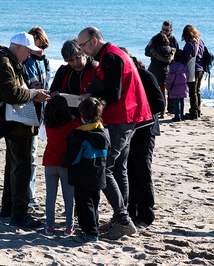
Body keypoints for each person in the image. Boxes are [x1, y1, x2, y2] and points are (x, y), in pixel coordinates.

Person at [77, 26, 152, 240]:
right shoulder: (114, 54)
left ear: (94, 41)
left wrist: (90, 99)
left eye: (83, 46)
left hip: (122, 118)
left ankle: (123, 220)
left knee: (105, 168)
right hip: (129, 117)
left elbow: (113, 93)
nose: (83, 51)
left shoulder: (110, 57)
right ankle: (121, 217)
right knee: (119, 168)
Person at [0, 32, 50, 228]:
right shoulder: (5, 61)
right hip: (16, 124)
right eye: (28, 51)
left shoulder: (6, 58)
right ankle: (19, 215)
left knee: (13, 166)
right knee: (21, 167)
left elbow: (11, 90)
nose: (29, 56)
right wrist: (33, 93)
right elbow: (11, 93)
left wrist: (31, 91)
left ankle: (8, 209)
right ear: (19, 47)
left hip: (13, 121)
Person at [120, 47, 165, 228]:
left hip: (146, 129)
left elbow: (159, 103)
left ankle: (146, 214)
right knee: (129, 170)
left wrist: (139, 114)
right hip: (128, 129)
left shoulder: (144, 75)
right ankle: (131, 210)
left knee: (142, 170)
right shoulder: (121, 77)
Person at [61, 97, 110, 243]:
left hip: (83, 174)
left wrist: (64, 160)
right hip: (98, 173)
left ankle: (90, 233)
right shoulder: (104, 132)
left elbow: (74, 158)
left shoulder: (79, 134)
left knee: (84, 204)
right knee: (94, 202)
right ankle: (93, 228)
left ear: (81, 114)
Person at [42, 95, 81, 236]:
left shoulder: (48, 123)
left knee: (50, 196)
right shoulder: (74, 124)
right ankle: (69, 226)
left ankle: (49, 226)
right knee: (69, 197)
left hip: (49, 161)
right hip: (65, 164)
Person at [24, 27, 51, 212]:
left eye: (42, 48)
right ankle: (29, 196)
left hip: (40, 114)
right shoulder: (25, 62)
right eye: (36, 47)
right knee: (29, 158)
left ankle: (28, 194)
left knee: (31, 156)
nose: (40, 51)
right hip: (27, 113)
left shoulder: (45, 62)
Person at [50, 38, 98, 117]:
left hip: (90, 118)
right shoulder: (63, 71)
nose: (76, 63)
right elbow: (52, 92)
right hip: (67, 117)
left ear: (84, 54)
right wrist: (54, 95)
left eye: (78, 58)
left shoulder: (96, 70)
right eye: (71, 60)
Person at [145, 20, 179, 118]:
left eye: (166, 30)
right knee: (162, 90)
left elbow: (147, 51)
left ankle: (168, 109)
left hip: (162, 68)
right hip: (165, 68)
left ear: (171, 30)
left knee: (166, 90)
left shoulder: (172, 40)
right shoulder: (158, 38)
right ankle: (162, 110)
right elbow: (175, 53)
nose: (164, 31)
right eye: (163, 29)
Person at [182, 25, 205, 120]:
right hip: (201, 68)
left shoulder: (190, 43)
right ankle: (198, 110)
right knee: (198, 91)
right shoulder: (200, 41)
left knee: (192, 91)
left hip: (193, 69)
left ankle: (193, 112)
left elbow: (187, 57)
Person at [166, 49, 189, 122]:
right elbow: (187, 76)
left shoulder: (173, 66)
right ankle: (181, 115)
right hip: (183, 86)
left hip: (175, 87)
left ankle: (177, 116)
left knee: (176, 102)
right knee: (182, 101)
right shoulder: (184, 65)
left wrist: (168, 87)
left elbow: (170, 78)